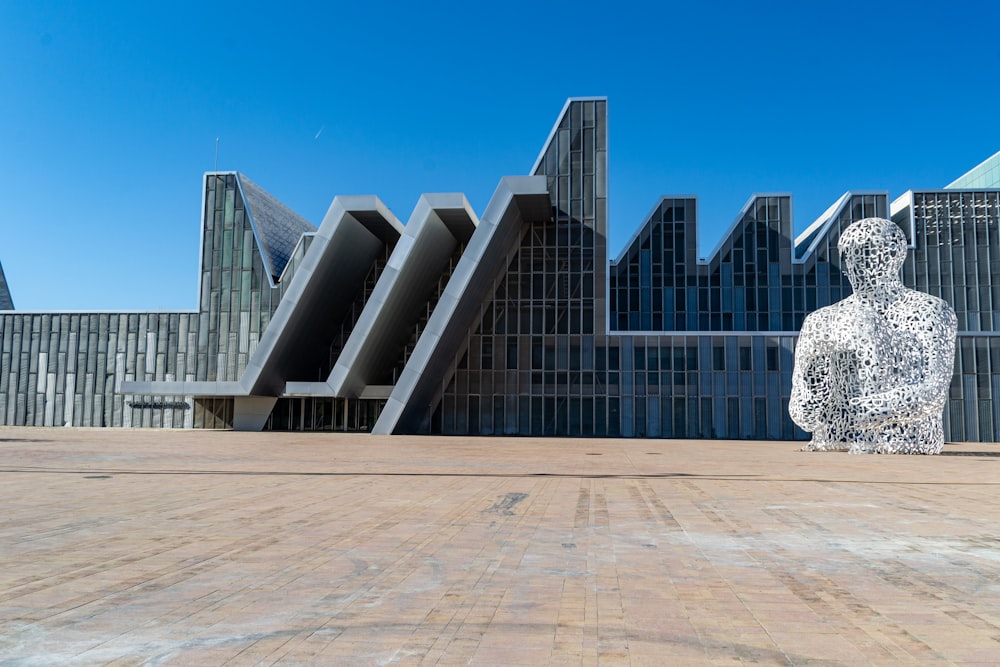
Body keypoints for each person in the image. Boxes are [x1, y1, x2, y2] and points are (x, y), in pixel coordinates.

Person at [789, 217, 957, 454]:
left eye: (867, 254)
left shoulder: (929, 310)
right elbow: (802, 415)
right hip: (834, 448)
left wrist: (856, 412)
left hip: (908, 444)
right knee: (859, 325)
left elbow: (932, 392)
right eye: (849, 256)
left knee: (864, 325)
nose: (857, 265)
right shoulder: (821, 321)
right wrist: (813, 381)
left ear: (895, 256)